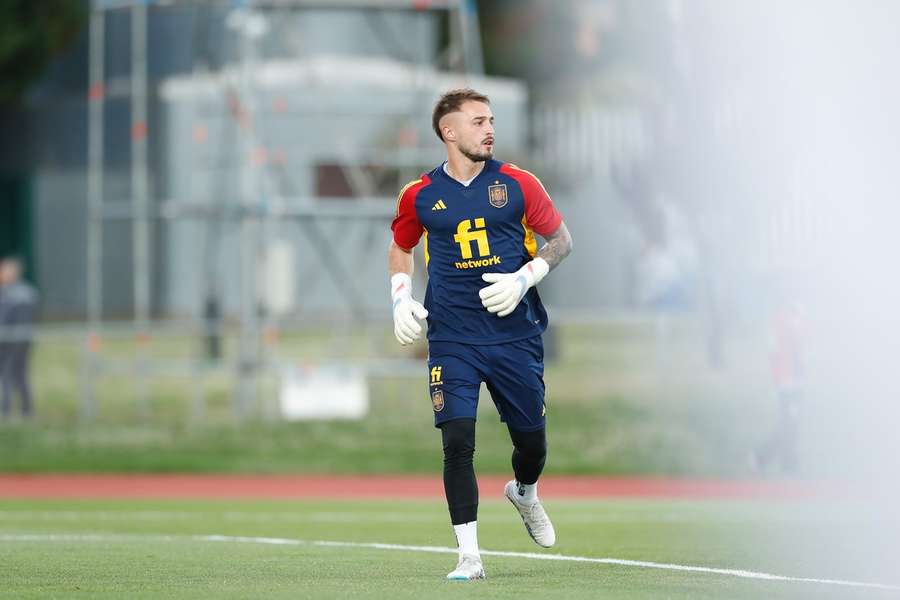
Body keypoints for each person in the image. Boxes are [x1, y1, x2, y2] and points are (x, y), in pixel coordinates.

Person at [388, 88, 573, 580]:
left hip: (515, 336)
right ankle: (469, 557)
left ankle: (525, 492)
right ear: (449, 132)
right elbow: (401, 246)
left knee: (532, 444)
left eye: (490, 120)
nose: (489, 129)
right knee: (458, 441)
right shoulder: (419, 194)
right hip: (452, 336)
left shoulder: (517, 183)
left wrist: (524, 278)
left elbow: (561, 240)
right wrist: (400, 297)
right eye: (476, 121)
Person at [0, 257, 38, 419]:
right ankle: (26, 410)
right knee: (19, 375)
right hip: (23, 340)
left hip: (10, 340)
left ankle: (6, 411)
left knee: (8, 374)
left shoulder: (10, 293)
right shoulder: (29, 292)